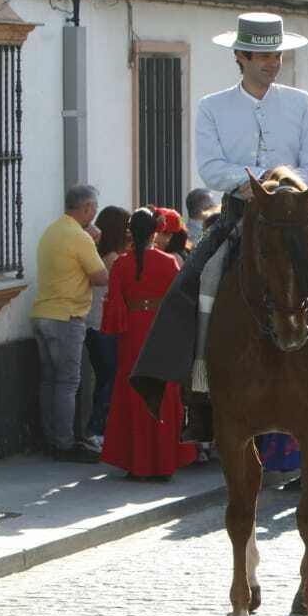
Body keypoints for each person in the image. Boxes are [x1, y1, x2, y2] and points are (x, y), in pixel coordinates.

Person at [130, 12, 308, 443]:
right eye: (263, 56)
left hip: (295, 215)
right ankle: (198, 393)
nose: (273, 63)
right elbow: (210, 168)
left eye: (277, 55)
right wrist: (255, 184)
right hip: (240, 213)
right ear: (241, 56)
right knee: (197, 281)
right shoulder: (212, 106)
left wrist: (281, 185)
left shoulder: (300, 102)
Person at [101, 208, 197, 480]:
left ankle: (137, 464)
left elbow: (114, 305)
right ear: (156, 232)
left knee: (133, 396)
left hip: (132, 334)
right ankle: (163, 463)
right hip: (160, 332)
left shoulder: (121, 264)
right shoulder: (169, 262)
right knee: (163, 396)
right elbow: (181, 303)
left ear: (131, 233)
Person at [32, 184, 108, 462]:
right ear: (86, 208)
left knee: (50, 381)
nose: (95, 214)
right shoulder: (79, 237)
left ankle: (50, 438)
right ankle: (63, 443)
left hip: (42, 313)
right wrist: (94, 244)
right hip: (66, 316)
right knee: (67, 382)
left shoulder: (52, 231)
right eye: (94, 209)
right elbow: (101, 277)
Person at [84, 206, 130, 446]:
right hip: (103, 326)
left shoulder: (99, 254)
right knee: (109, 379)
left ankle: (100, 429)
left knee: (106, 378)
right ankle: (96, 430)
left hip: (96, 325)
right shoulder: (113, 259)